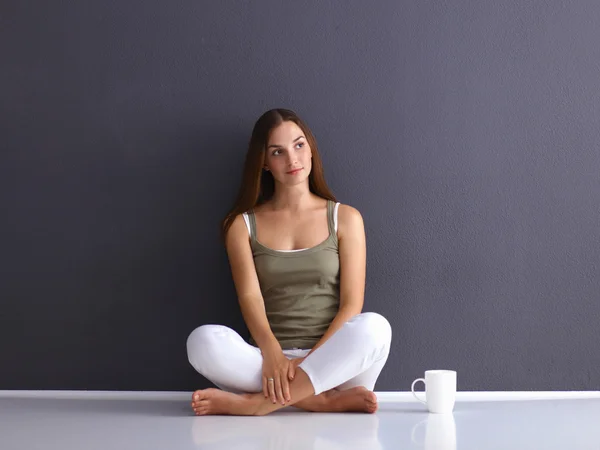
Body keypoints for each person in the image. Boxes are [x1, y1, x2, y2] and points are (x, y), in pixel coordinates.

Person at [186, 108, 392, 416]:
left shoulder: (346, 218)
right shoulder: (241, 225)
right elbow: (250, 297)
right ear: (265, 163)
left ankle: (256, 405)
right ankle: (322, 401)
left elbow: (352, 304)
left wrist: (313, 363)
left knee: (375, 328)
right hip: (270, 363)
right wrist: (273, 355)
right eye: (278, 152)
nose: (292, 159)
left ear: (310, 148)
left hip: (335, 361)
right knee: (200, 341)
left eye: (298, 145)